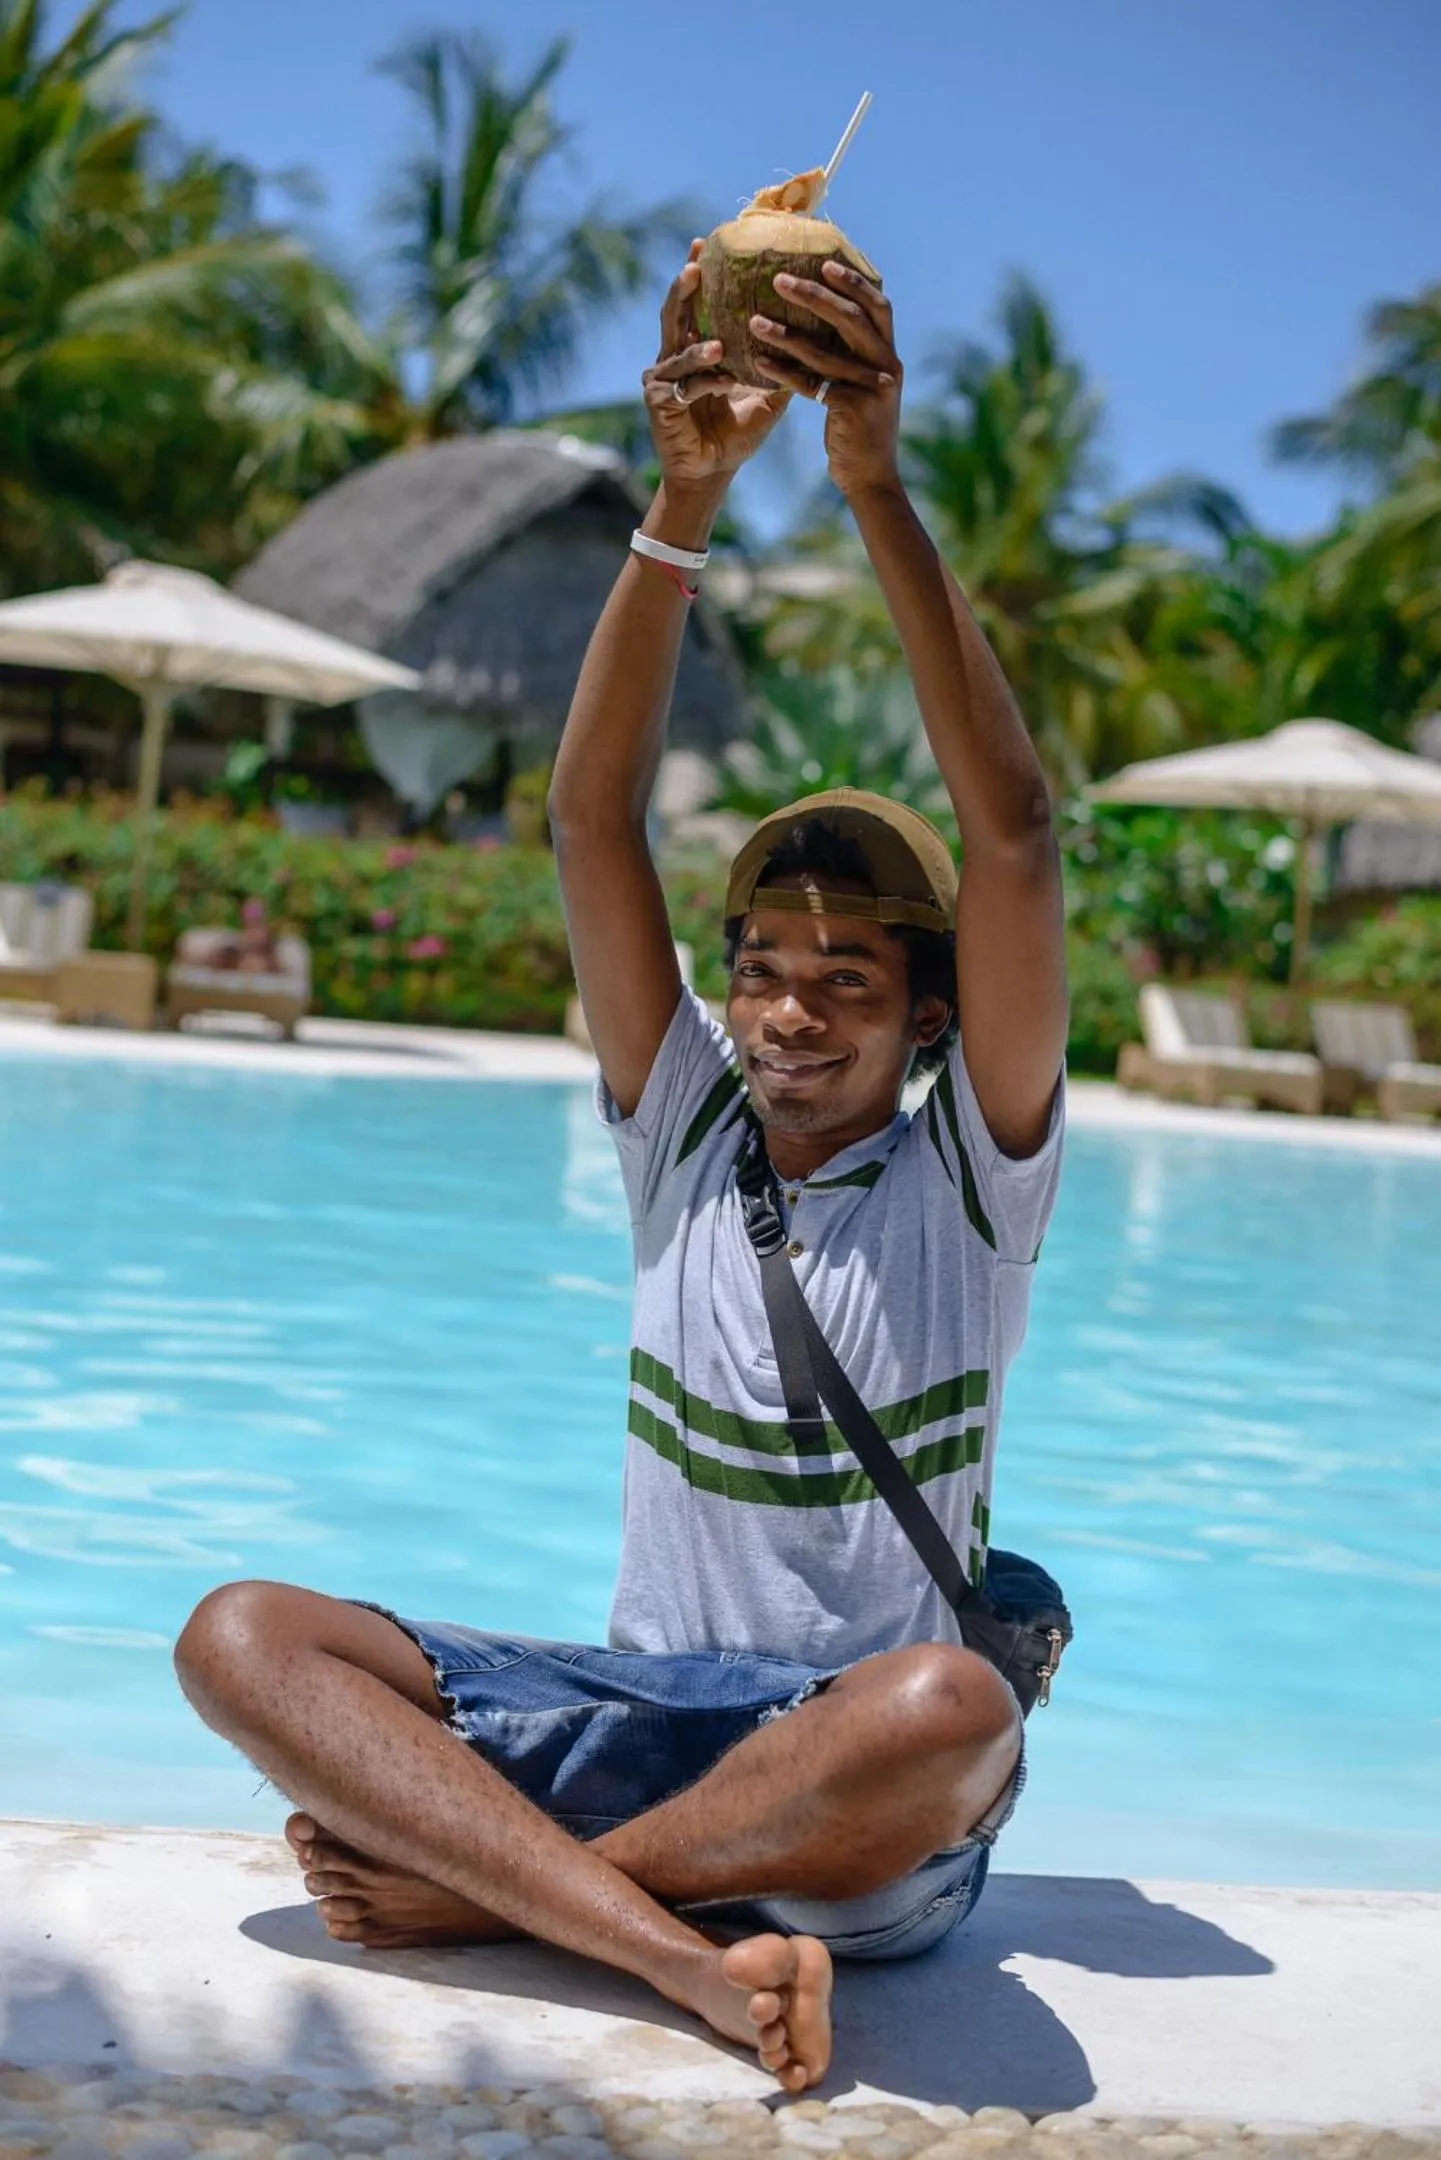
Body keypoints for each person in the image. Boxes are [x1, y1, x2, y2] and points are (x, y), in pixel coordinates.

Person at [173, 242, 1068, 2095]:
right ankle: (674, 1949)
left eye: (848, 983)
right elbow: (591, 816)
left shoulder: (971, 1189)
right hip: (646, 1720)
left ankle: (507, 1894)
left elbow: (1018, 839)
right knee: (241, 1636)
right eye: (764, 971)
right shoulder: (686, 1129)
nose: (791, 1015)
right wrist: (682, 505)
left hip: (839, 1782)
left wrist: (873, 487)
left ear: (929, 1019)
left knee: (951, 1706)